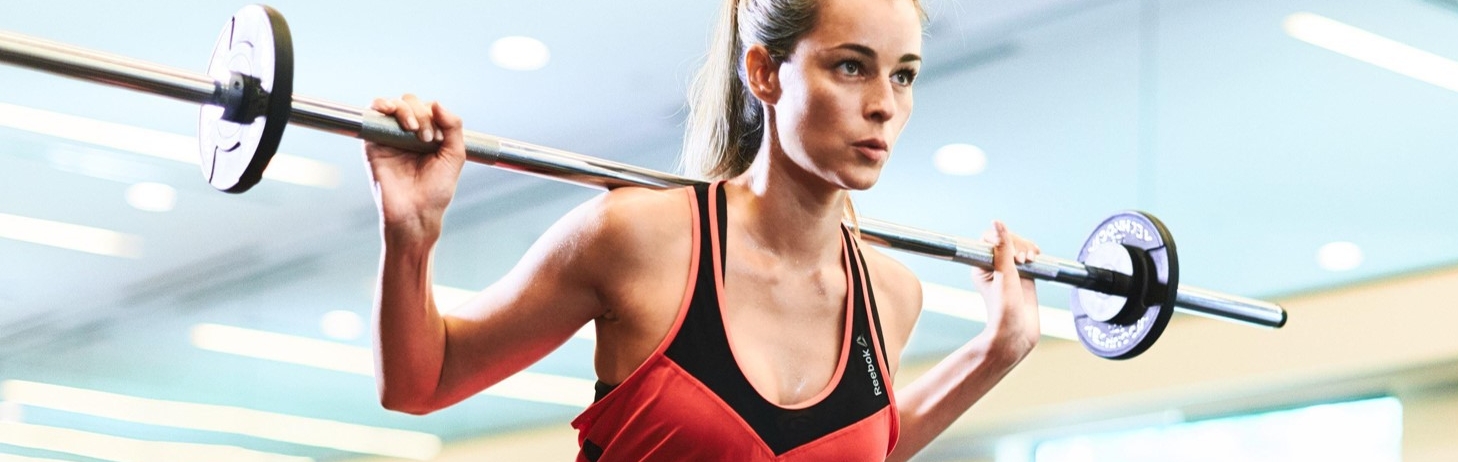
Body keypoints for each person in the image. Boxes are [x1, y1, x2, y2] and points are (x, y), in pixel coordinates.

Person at [362, 0, 1042, 460]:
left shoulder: (890, 294)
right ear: (765, 72)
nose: (884, 106)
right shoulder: (636, 237)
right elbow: (422, 381)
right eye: (851, 66)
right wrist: (411, 233)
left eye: (904, 76)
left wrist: (995, 352)